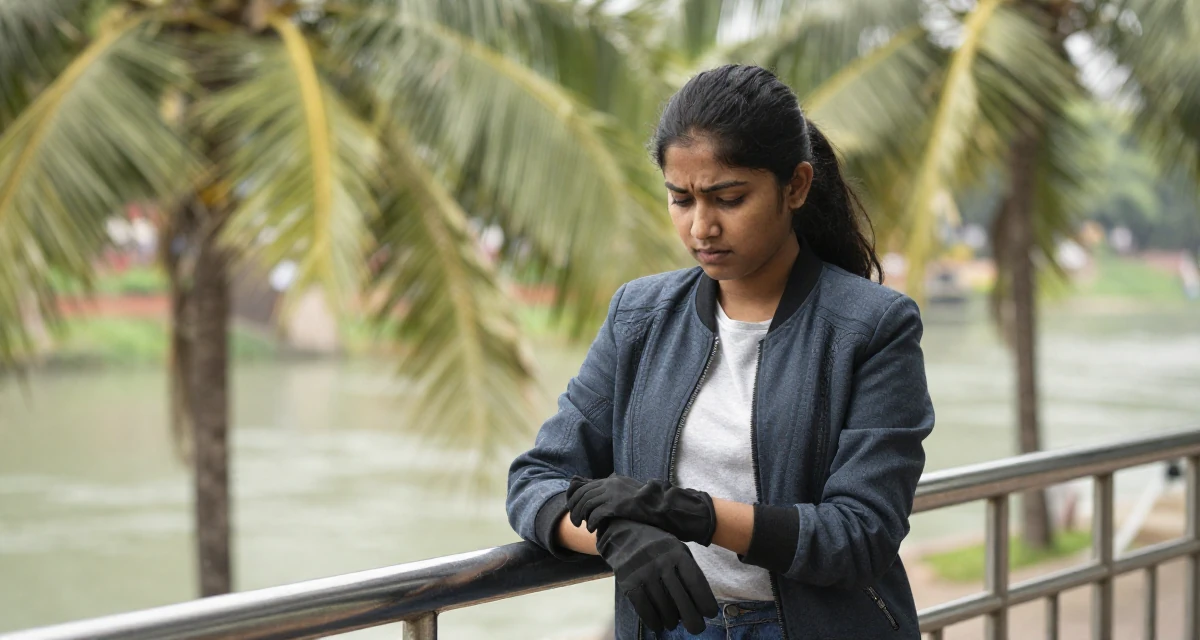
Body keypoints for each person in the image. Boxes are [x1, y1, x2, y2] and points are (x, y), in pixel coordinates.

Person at [507, 64, 934, 640]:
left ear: (796, 186)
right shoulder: (639, 316)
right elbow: (536, 478)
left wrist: (692, 513)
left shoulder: (873, 327)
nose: (701, 227)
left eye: (728, 199)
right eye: (680, 199)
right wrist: (616, 535)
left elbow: (860, 535)